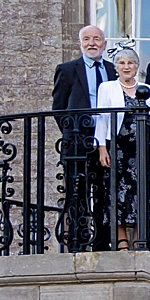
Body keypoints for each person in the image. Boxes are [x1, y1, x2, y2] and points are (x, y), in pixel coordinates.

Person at [92, 43, 150, 249]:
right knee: (118, 191)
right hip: (119, 147)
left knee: (144, 191)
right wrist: (102, 147)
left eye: (131, 63)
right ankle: (122, 240)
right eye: (122, 63)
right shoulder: (107, 88)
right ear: (115, 67)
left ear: (137, 66)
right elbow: (102, 119)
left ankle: (139, 239)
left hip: (146, 148)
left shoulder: (149, 90)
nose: (126, 66)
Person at [52, 25, 113, 250]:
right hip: (78, 141)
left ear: (104, 44)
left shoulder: (112, 70)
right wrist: (72, 133)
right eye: (86, 39)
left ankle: (101, 242)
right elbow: (59, 107)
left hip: (107, 141)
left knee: (105, 192)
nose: (91, 43)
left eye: (96, 39)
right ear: (80, 44)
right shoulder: (67, 70)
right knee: (77, 191)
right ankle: (77, 241)